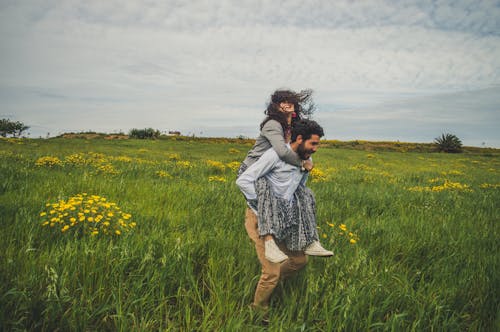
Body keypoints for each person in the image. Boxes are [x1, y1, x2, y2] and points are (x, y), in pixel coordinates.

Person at [236, 119, 332, 314]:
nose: (316, 149)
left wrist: (306, 171)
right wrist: (265, 205)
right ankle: (257, 311)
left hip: (285, 218)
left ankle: (270, 283)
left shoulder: (304, 159)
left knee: (298, 261)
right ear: (299, 139)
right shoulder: (274, 156)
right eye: (313, 143)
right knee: (271, 271)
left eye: (318, 144)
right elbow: (244, 181)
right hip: (260, 218)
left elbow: (298, 187)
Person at [238, 89, 330, 263]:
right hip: (254, 168)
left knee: (303, 193)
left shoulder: (293, 124)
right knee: (266, 195)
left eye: (290, 100)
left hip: (277, 169)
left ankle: (309, 241)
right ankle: (269, 242)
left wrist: (304, 163)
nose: (287, 104)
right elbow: (281, 151)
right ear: (275, 105)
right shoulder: (273, 124)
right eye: (282, 101)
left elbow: (296, 145)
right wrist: (302, 164)